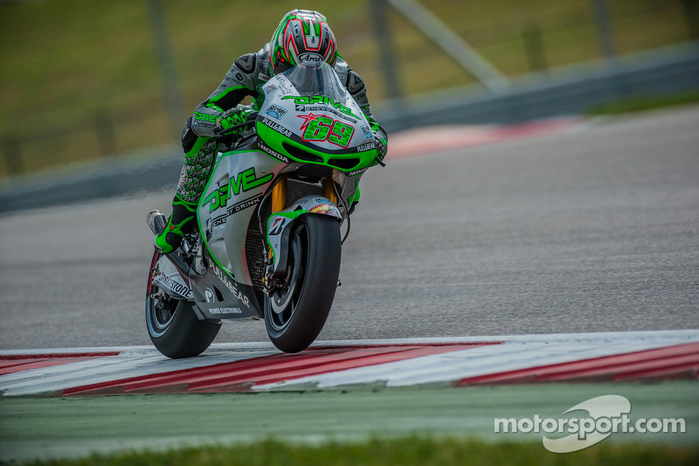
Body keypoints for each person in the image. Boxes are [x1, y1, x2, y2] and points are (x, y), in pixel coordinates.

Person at [155, 9, 388, 254]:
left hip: (321, 139)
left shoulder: (347, 79)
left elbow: (369, 123)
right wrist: (223, 119)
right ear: (278, 53)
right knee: (194, 131)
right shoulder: (254, 64)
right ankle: (181, 216)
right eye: (290, 67)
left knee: (357, 178)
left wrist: (379, 140)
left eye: (317, 69)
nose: (305, 74)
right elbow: (207, 109)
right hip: (264, 130)